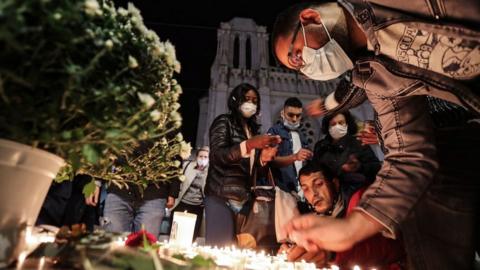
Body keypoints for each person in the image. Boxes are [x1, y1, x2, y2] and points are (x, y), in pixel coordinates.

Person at [272, 1, 479, 269]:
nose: (305, 68)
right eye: (297, 68)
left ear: (310, 17)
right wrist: (349, 230)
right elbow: (408, 154)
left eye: (297, 55)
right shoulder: (373, 76)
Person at [279, 162, 405, 268]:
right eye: (306, 188)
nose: (314, 193)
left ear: (335, 183)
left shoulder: (362, 200)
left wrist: (331, 252)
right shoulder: (312, 219)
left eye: (318, 184)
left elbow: (389, 247)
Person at [204, 83, 281, 246]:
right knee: (220, 249)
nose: (251, 104)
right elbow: (218, 155)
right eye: (247, 99)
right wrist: (249, 145)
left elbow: (251, 171)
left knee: (239, 252)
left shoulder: (251, 130)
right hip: (221, 195)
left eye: (255, 101)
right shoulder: (224, 121)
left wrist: (264, 158)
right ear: (236, 100)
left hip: (243, 199)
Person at [86, 141, 180, 237]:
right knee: (113, 246)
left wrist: (173, 191)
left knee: (145, 248)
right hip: (119, 189)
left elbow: (175, 152)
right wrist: (96, 181)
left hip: (154, 192)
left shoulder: (167, 126)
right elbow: (103, 144)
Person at [313, 110, 381, 191]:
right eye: (333, 124)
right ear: (327, 126)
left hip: (355, 192)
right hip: (330, 192)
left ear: (347, 124)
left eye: (341, 123)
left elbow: (376, 167)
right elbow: (314, 170)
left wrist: (359, 167)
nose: (337, 126)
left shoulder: (358, 142)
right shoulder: (320, 146)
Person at [267, 97, 313, 194]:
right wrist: (295, 157)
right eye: (290, 115)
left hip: (302, 189)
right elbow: (270, 161)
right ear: (282, 114)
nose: (294, 119)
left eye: (298, 115)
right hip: (282, 189)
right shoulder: (274, 132)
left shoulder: (302, 135)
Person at [170, 146, 209, 240]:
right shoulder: (187, 166)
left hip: (198, 207)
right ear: (196, 157)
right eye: (201, 156)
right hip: (182, 203)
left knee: (191, 236)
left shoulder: (210, 171)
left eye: (205, 157)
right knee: (175, 233)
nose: (202, 158)